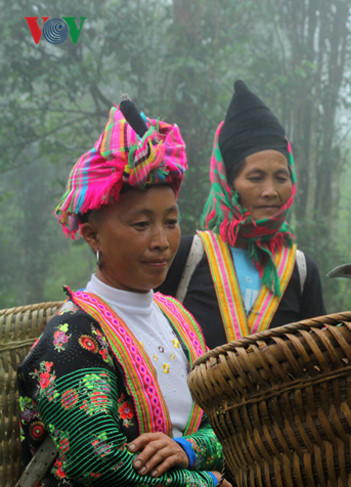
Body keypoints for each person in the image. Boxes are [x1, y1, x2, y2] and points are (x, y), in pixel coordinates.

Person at [17, 101, 229, 486]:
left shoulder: (177, 317)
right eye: (142, 224)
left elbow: (229, 424)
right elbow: (101, 469)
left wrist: (191, 449)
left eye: (171, 221)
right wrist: (209, 483)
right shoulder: (73, 337)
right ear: (91, 234)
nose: (162, 242)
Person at [158, 80, 326, 349]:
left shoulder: (301, 271)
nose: (271, 191)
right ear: (228, 182)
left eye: (281, 177)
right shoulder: (186, 256)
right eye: (256, 177)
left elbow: (320, 359)